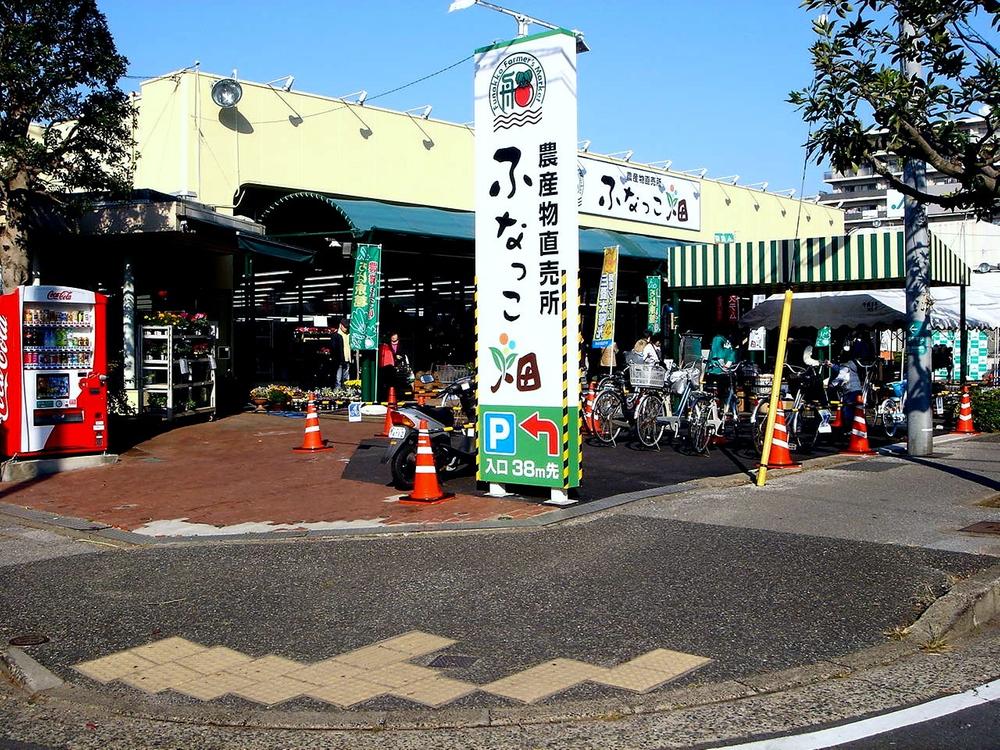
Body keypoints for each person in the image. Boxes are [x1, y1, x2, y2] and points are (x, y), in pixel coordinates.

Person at [378, 331, 410, 400]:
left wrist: (400, 357)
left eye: (394, 335)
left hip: (399, 365)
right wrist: (395, 356)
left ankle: (398, 396)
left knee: (398, 382)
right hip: (388, 366)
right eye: (391, 335)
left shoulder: (402, 344)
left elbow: (405, 353)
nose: (393, 337)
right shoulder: (386, 345)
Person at [330, 317, 351, 389]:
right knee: (338, 378)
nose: (346, 328)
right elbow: (333, 348)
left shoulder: (349, 335)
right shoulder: (335, 335)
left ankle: (345, 391)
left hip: (347, 359)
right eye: (345, 326)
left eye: (347, 327)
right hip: (339, 360)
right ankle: (338, 392)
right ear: (340, 325)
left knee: (346, 378)